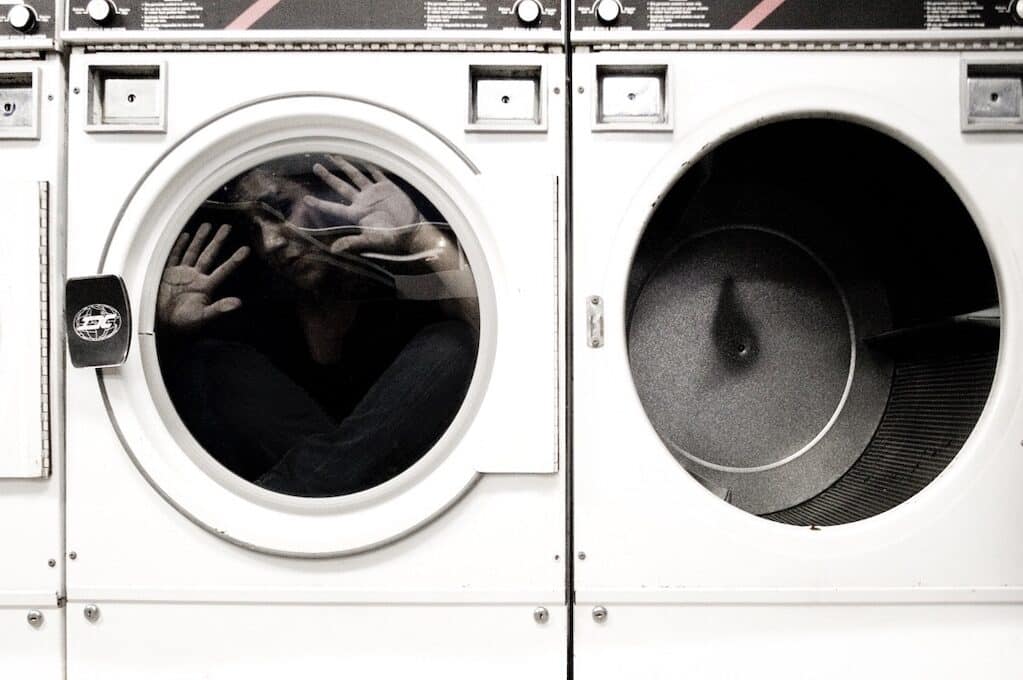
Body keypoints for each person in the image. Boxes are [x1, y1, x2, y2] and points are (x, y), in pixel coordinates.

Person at [156, 154, 478, 497]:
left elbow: (507, 343)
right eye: (254, 227)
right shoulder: (251, 304)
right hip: (327, 505)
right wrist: (166, 332)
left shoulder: (406, 284)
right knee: (206, 362)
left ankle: (294, 505)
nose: (270, 242)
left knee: (453, 345)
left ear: (334, 196)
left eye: (281, 209)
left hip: (413, 486)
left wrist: (420, 237)